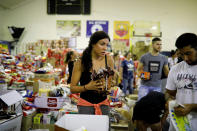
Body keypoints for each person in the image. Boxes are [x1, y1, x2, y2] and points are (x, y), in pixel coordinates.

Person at [70, 31, 114, 115]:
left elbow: (110, 83)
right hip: (85, 106)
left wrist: (110, 84)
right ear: (93, 44)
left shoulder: (109, 59)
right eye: (102, 44)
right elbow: (72, 89)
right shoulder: (80, 62)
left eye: (107, 45)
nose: (105, 48)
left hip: (104, 105)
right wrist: (87, 87)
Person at [165, 33, 197, 131]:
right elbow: (169, 93)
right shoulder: (175, 69)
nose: (185, 58)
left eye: (188, 53)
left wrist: (192, 107)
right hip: (178, 125)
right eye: (182, 54)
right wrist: (169, 101)